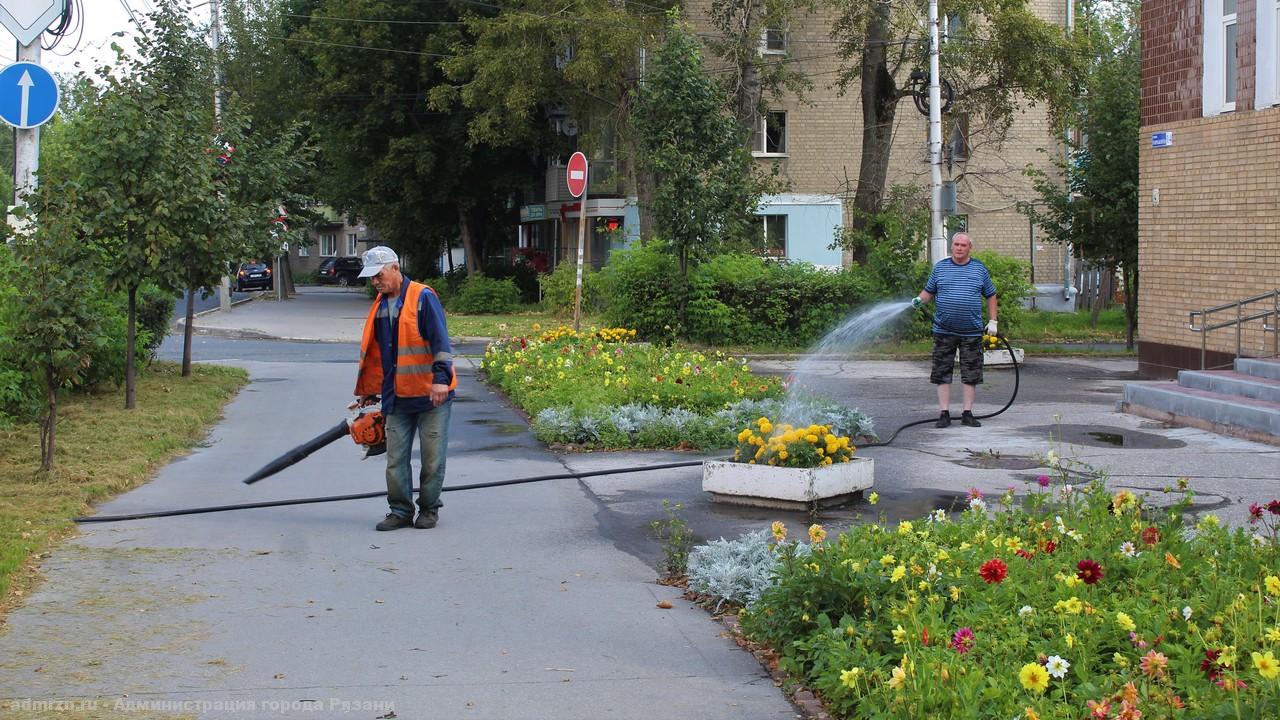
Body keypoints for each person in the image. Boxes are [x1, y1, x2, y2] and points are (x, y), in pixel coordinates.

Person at [354, 246, 457, 531]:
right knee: (395, 459)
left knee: (432, 458)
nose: (375, 281)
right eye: (371, 277)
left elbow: (440, 342)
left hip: (432, 395)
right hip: (397, 396)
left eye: (379, 275)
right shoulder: (380, 306)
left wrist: (440, 379)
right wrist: (371, 390)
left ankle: (429, 509)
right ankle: (400, 511)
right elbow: (380, 354)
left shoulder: (422, 297)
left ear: (396, 268)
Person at [911, 232, 998, 428]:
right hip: (944, 331)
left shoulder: (979, 269)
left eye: (963, 245)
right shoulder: (940, 268)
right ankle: (944, 413)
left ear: (970, 248)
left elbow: (991, 295)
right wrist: (919, 300)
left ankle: (967, 413)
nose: (959, 248)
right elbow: (929, 292)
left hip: (972, 332)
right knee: (942, 372)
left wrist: (993, 321)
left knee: (971, 373)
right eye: (956, 244)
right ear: (952, 246)